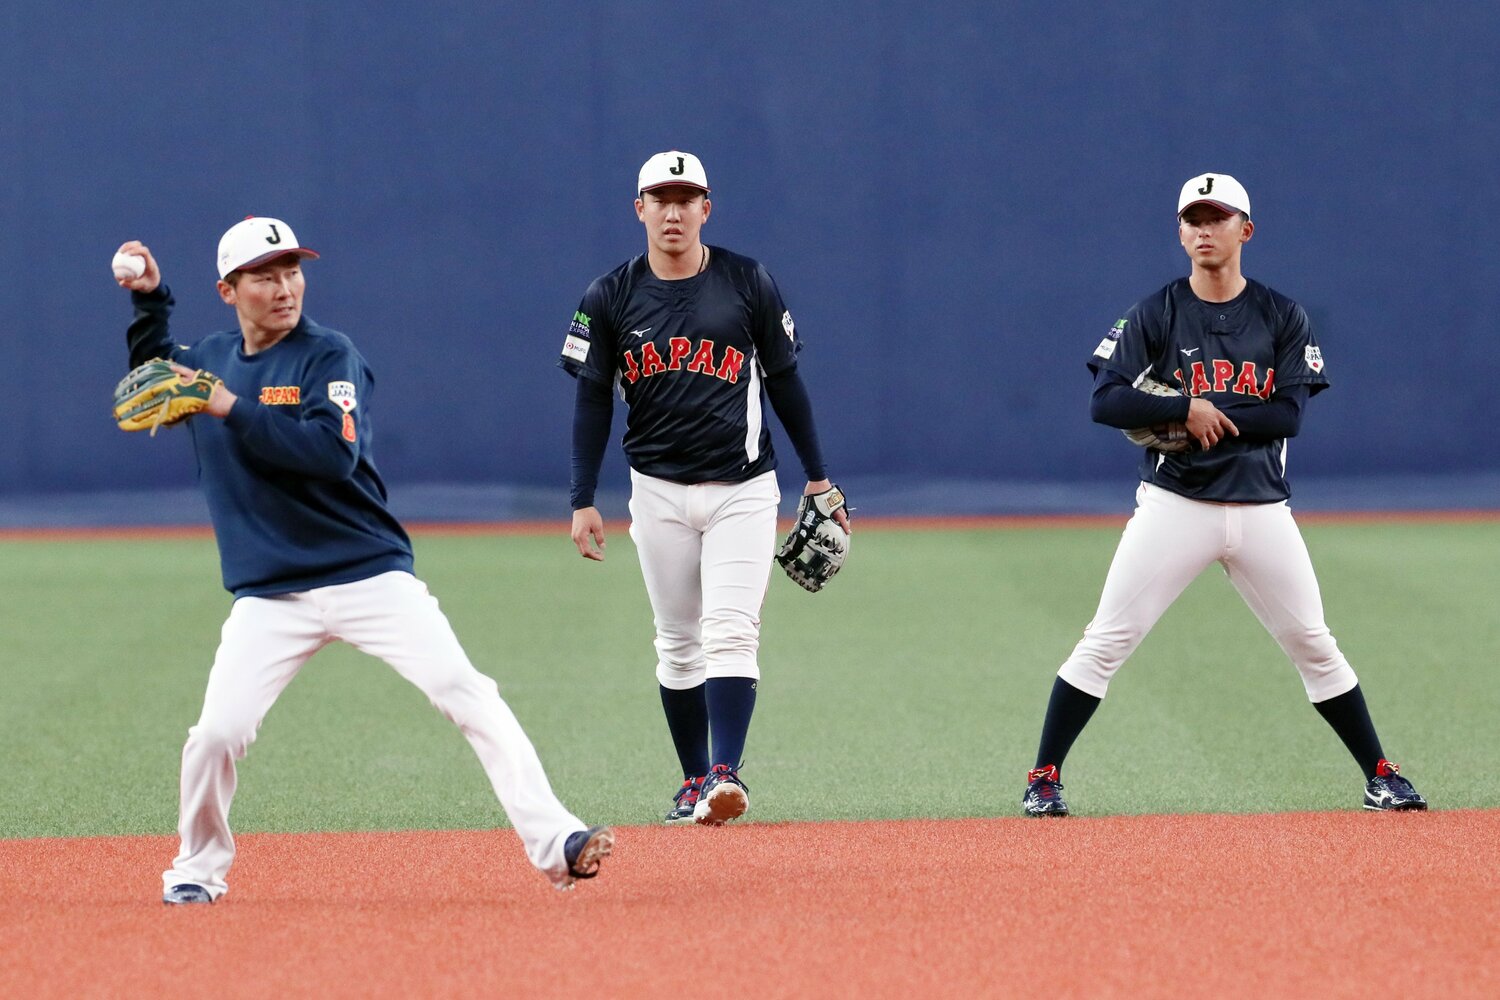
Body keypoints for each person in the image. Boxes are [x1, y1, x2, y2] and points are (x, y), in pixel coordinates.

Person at [114, 217, 612, 904]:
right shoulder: (211, 362)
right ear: (229, 290)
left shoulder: (328, 356)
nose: (284, 286)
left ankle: (557, 841)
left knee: (465, 691)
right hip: (270, 594)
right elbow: (155, 373)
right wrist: (149, 298)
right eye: (264, 274)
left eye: (292, 270)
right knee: (215, 734)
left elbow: (329, 454)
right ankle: (195, 871)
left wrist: (227, 406)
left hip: (368, 574)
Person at [1021, 174, 1427, 817]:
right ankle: (1044, 777)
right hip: (1175, 506)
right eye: (1193, 219)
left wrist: (1211, 415)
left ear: (1247, 229)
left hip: (1264, 508)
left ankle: (1381, 773)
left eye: (1218, 217)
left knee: (1314, 643)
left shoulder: (1281, 314)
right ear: (1180, 232)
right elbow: (1106, 400)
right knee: (1107, 639)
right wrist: (1188, 406)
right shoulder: (1155, 311)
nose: (1204, 230)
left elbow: (1288, 415)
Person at [557, 151, 849, 826]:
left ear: (705, 208)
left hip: (742, 489)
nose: (673, 210)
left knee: (729, 631)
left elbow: (785, 383)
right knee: (676, 640)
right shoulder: (610, 296)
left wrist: (818, 476)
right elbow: (593, 400)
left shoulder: (748, 282)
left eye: (686, 198)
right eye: (660, 198)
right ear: (640, 209)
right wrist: (580, 497)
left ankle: (726, 772)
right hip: (655, 491)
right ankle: (693, 780)